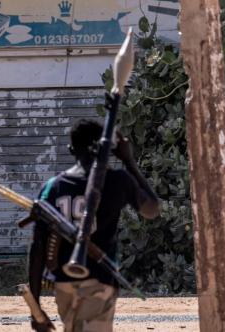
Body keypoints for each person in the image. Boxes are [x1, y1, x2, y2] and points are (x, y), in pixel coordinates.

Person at [29, 118, 160, 331]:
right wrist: (128, 161)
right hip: (100, 283)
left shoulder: (52, 188)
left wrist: (35, 307)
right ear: (106, 149)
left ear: (71, 149)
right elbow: (152, 209)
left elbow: (37, 249)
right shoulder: (118, 180)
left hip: (64, 286)